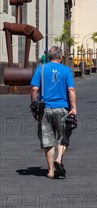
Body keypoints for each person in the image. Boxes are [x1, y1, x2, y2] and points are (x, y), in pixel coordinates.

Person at [30, 46, 77, 179]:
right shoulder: (66, 70)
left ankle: (50, 170)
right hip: (62, 108)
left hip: (44, 109)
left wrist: (34, 105)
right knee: (64, 136)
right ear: (60, 56)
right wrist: (73, 108)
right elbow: (71, 89)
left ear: (49, 57)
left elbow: (34, 89)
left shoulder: (41, 68)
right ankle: (59, 158)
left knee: (48, 140)